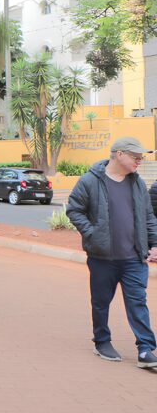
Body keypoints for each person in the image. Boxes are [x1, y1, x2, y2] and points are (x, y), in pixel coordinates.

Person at [66, 137, 157, 368]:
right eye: (136, 157)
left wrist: (154, 243)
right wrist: (92, 233)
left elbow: (148, 217)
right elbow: (74, 210)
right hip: (102, 258)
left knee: (138, 302)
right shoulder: (90, 181)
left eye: (141, 157)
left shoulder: (137, 183)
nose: (140, 160)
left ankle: (146, 349)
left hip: (134, 257)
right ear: (119, 154)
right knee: (101, 302)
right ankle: (102, 341)